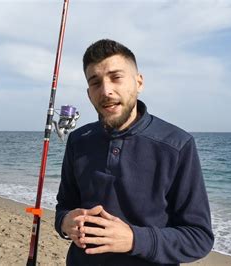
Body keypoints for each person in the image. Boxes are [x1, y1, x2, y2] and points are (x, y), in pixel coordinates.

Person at [55, 39, 214, 266]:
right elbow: (64, 206)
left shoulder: (177, 144)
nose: (106, 90)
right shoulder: (78, 140)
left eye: (116, 77)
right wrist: (64, 223)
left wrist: (133, 239)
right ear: (89, 93)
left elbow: (199, 238)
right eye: (95, 82)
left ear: (139, 82)